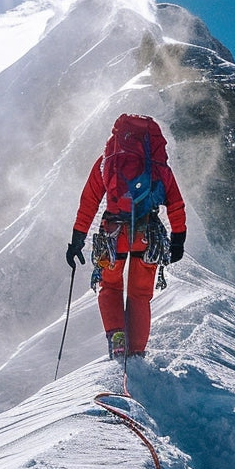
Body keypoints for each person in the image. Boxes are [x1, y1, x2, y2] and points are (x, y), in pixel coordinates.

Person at [66, 114, 186, 359]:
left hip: (113, 235)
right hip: (147, 236)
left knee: (110, 286)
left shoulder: (107, 161)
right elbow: (176, 204)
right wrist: (178, 240)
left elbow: (89, 201)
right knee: (140, 295)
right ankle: (138, 352)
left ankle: (117, 337)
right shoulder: (159, 166)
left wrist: (77, 239)